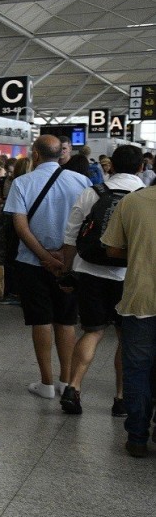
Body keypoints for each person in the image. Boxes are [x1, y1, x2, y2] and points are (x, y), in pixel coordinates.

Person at [59, 145, 145, 417]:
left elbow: (71, 237)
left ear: (110, 166)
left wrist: (68, 271)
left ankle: (73, 388)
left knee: (93, 331)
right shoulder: (143, 198)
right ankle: (120, 399)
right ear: (141, 167)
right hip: (128, 276)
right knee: (124, 337)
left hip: (90, 270)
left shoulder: (92, 193)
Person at [4, 134, 92, 399]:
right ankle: (66, 381)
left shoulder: (22, 182)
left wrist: (44, 257)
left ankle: (46, 383)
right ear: (60, 154)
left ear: (36, 154)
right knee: (65, 320)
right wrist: (63, 258)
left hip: (31, 262)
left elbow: (20, 226)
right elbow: (87, 225)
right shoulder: (82, 181)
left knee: (40, 320)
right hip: (70, 263)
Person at [100, 171, 156, 457]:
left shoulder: (133, 202)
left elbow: (111, 250)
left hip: (140, 300)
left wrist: (139, 250)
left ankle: (136, 437)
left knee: (137, 370)